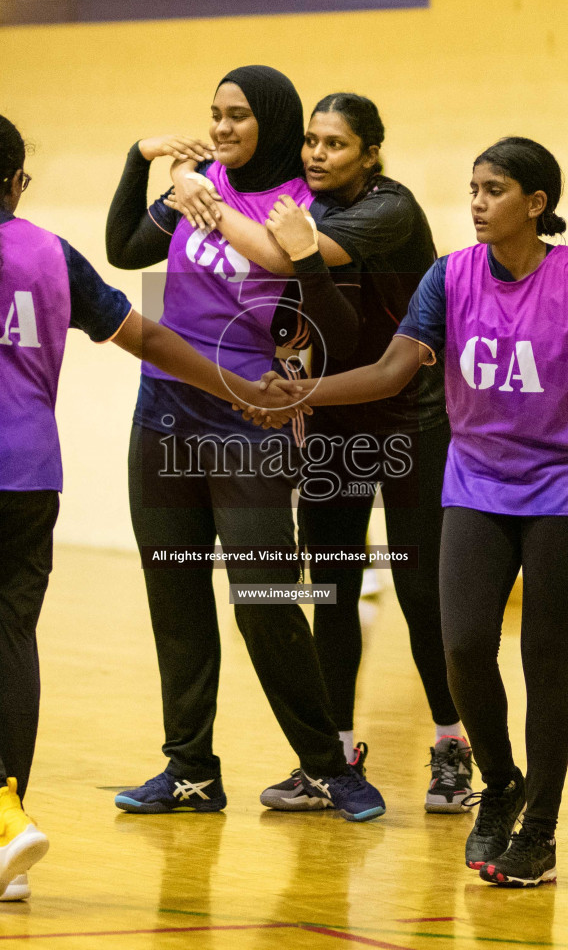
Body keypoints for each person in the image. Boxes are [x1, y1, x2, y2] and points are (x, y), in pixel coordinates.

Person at [0, 109, 298, 908]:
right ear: (16, 181)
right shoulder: (50, 253)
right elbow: (148, 339)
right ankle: (1, 849)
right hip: (30, 480)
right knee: (8, 639)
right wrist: (234, 384)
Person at [254, 136, 568, 886]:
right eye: (472, 188)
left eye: (494, 190)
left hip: (564, 487)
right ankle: (503, 781)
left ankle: (538, 829)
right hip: (475, 481)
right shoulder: (448, 278)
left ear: (536, 205)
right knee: (465, 647)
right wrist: (304, 394)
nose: (477, 202)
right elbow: (389, 371)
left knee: (546, 657)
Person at [172, 92, 470, 813]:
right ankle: (332, 757)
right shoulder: (309, 210)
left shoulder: (386, 210)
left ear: (370, 152)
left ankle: (452, 746)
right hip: (338, 416)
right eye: (310, 141)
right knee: (331, 586)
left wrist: (204, 195)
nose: (316, 155)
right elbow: (316, 318)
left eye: (335, 144)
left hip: (411, 418)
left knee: (419, 590)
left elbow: (285, 256)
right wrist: (289, 373)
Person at [104, 65, 385, 822]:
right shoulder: (195, 187)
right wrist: (143, 160)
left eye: (238, 117)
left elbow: (300, 285)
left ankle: (328, 765)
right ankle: (190, 769)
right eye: (215, 115)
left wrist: (206, 199)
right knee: (176, 595)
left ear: (273, 122)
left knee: (264, 599)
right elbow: (125, 249)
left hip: (249, 423)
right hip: (163, 416)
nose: (223, 129)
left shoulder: (302, 201)